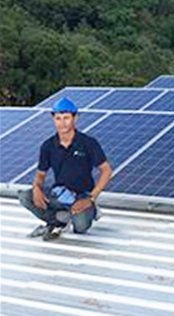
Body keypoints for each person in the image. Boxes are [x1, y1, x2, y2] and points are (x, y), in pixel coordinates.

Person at [18, 96, 112, 240]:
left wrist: (91, 198)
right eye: (58, 118)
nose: (62, 123)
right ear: (53, 119)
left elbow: (106, 170)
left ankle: (82, 213)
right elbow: (41, 174)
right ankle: (58, 219)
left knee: (80, 227)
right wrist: (37, 188)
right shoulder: (48, 146)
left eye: (66, 118)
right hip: (59, 195)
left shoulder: (88, 143)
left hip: (82, 197)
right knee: (25, 197)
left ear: (75, 118)